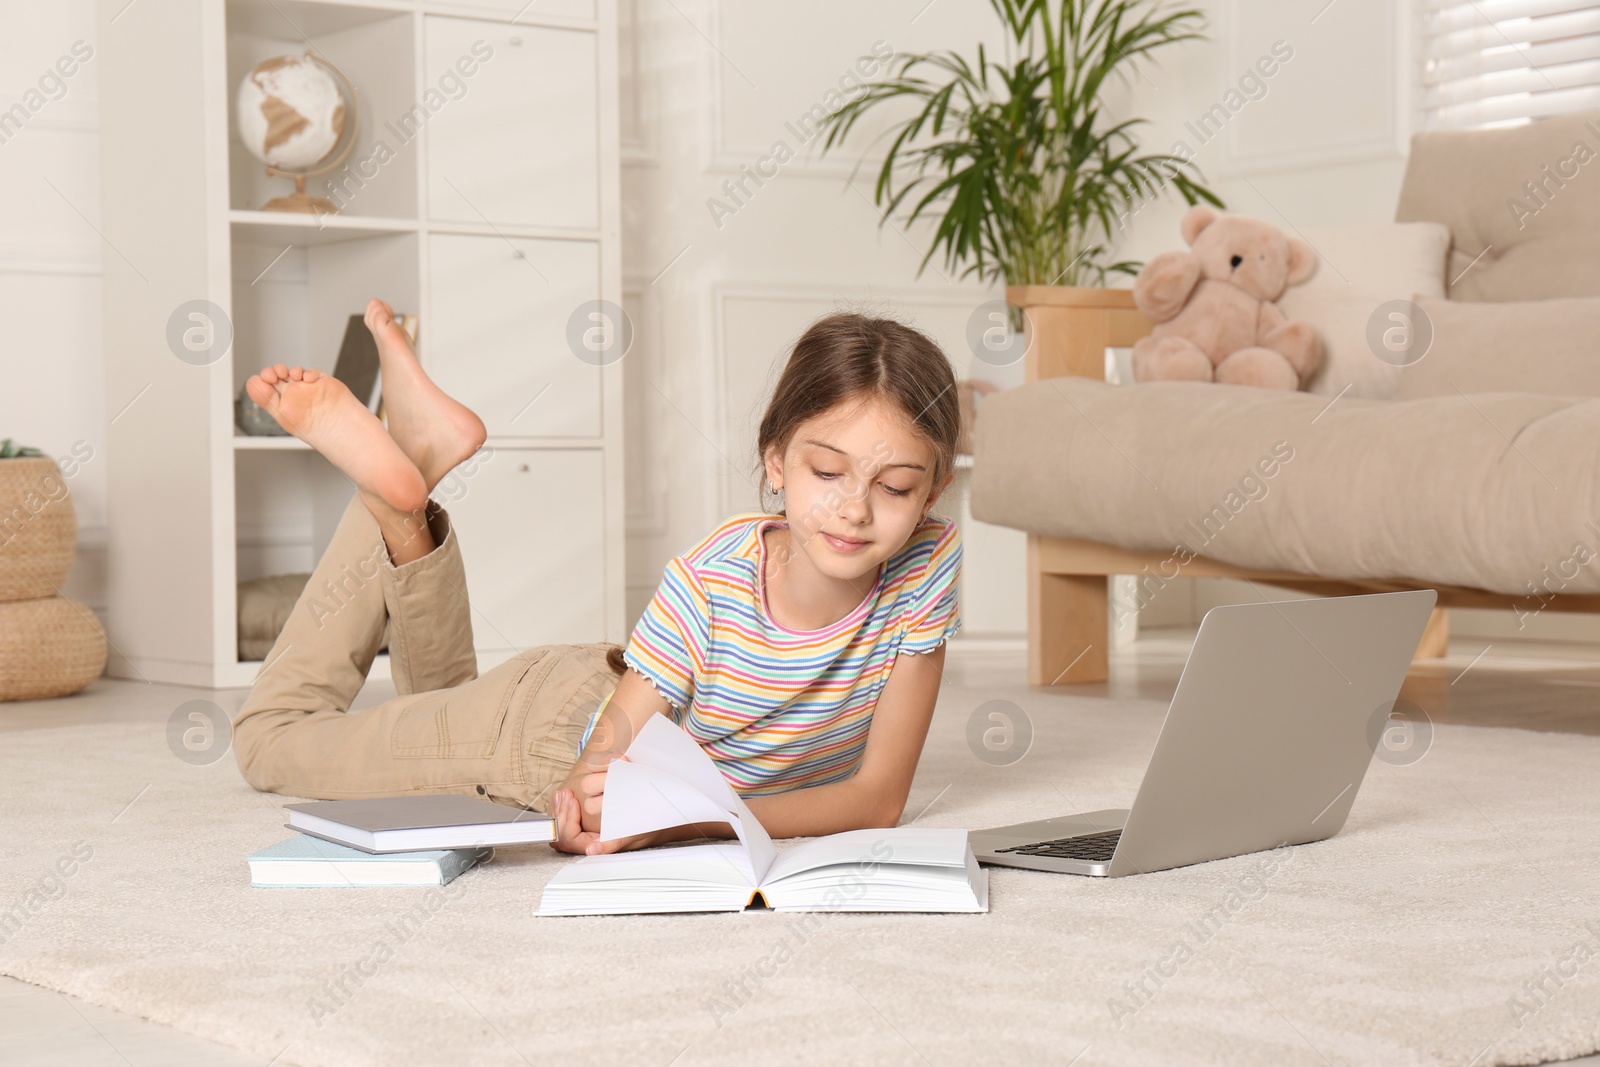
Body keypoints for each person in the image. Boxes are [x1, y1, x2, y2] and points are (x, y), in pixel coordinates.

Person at [232, 300, 963, 856]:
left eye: (895, 485)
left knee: (441, 701)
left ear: (930, 494)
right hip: (539, 734)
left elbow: (877, 798)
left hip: (617, 682)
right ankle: (387, 507)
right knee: (268, 740)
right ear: (775, 461)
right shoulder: (711, 582)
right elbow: (592, 780)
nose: (855, 509)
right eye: (827, 471)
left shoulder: (926, 564)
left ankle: (414, 467)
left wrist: (682, 818)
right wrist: (609, 815)